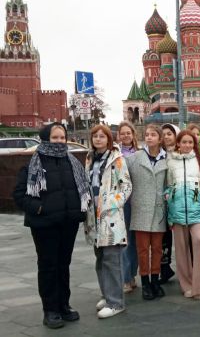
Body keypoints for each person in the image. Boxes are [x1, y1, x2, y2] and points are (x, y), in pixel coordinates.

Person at [13, 123, 90, 329]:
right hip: (45, 224)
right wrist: (39, 209)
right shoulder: (33, 163)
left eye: (62, 138)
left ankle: (64, 305)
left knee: (63, 265)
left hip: (68, 222)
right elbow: (20, 195)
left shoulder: (73, 161)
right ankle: (50, 310)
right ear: (45, 138)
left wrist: (79, 209)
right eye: (55, 138)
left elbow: (81, 187)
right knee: (48, 266)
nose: (59, 141)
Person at [165, 130, 200, 301]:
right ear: (178, 144)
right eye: (184, 142)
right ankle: (187, 285)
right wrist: (170, 197)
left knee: (198, 242)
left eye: (190, 142)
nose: (187, 145)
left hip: (197, 212)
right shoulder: (170, 161)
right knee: (181, 250)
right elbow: (167, 186)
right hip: (177, 212)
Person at [84, 125, 132, 319]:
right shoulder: (90, 159)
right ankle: (107, 294)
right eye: (95, 136)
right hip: (93, 217)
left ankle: (116, 302)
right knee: (100, 259)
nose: (98, 139)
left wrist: (112, 203)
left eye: (102, 136)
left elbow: (127, 186)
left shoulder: (117, 159)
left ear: (108, 139)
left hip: (110, 216)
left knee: (112, 260)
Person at [126, 124, 168, 300]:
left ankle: (155, 280)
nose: (149, 137)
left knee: (157, 249)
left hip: (158, 209)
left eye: (153, 135)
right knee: (142, 249)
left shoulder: (167, 159)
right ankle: (145, 282)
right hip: (141, 208)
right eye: (147, 135)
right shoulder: (134, 158)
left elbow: (169, 184)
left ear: (160, 139)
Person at [117, 121, 139, 294]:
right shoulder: (115, 154)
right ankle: (126, 278)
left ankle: (132, 274)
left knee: (135, 242)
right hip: (122, 203)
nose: (125, 136)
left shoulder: (139, 153)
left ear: (133, 134)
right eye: (122, 133)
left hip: (136, 202)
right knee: (125, 242)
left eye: (128, 133)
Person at [158, 123, 180, 284]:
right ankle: (164, 267)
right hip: (161, 200)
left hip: (178, 200)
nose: (166, 136)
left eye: (169, 133)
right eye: (163, 134)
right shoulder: (158, 154)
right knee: (163, 236)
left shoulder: (179, 154)